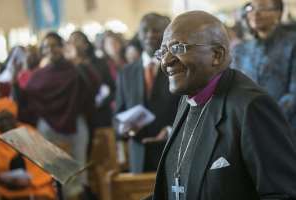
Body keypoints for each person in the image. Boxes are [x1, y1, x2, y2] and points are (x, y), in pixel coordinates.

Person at [146, 10, 296, 200]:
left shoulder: (251, 107)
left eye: (178, 48)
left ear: (216, 54)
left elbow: (284, 194)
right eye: (163, 52)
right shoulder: (187, 100)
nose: (166, 61)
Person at [23, 32, 91, 199]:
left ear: (62, 47)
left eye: (54, 45)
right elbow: (27, 95)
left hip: (74, 123)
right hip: (48, 125)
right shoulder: (39, 75)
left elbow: (91, 88)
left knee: (78, 172)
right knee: (51, 170)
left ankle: (78, 192)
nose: (51, 49)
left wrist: (78, 63)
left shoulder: (74, 69)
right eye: (46, 46)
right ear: (42, 51)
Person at [115, 13, 180, 173]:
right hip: (139, 153)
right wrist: (124, 128)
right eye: (146, 30)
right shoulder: (126, 72)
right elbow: (118, 114)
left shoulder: (178, 66)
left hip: (172, 149)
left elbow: (188, 108)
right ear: (139, 34)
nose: (150, 34)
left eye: (156, 30)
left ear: (167, 33)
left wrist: (170, 130)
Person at [231, 0, 296, 132]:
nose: (255, 13)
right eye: (251, 8)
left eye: (262, 9)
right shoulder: (240, 50)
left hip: (284, 126)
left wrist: (268, 117)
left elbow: (294, 92)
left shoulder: (292, 43)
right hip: (247, 124)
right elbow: (234, 89)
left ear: (278, 14)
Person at [0, 97, 56, 200]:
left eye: (7, 117)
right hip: (10, 189)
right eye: (2, 118)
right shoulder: (29, 132)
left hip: (26, 190)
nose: (5, 122)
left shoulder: (27, 131)